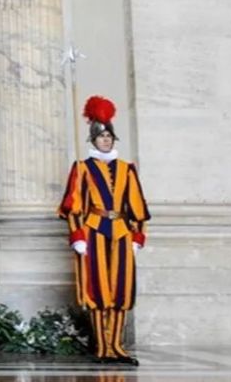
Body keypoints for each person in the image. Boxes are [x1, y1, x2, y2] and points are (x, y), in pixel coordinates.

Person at [58, 95, 150, 366]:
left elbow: (138, 207)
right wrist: (77, 236)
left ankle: (117, 346)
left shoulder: (127, 169)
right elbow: (73, 206)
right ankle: (102, 347)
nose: (106, 140)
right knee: (98, 289)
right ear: (93, 141)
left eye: (109, 136)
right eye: (101, 137)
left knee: (121, 290)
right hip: (94, 231)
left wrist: (137, 237)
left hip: (121, 232)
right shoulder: (82, 169)